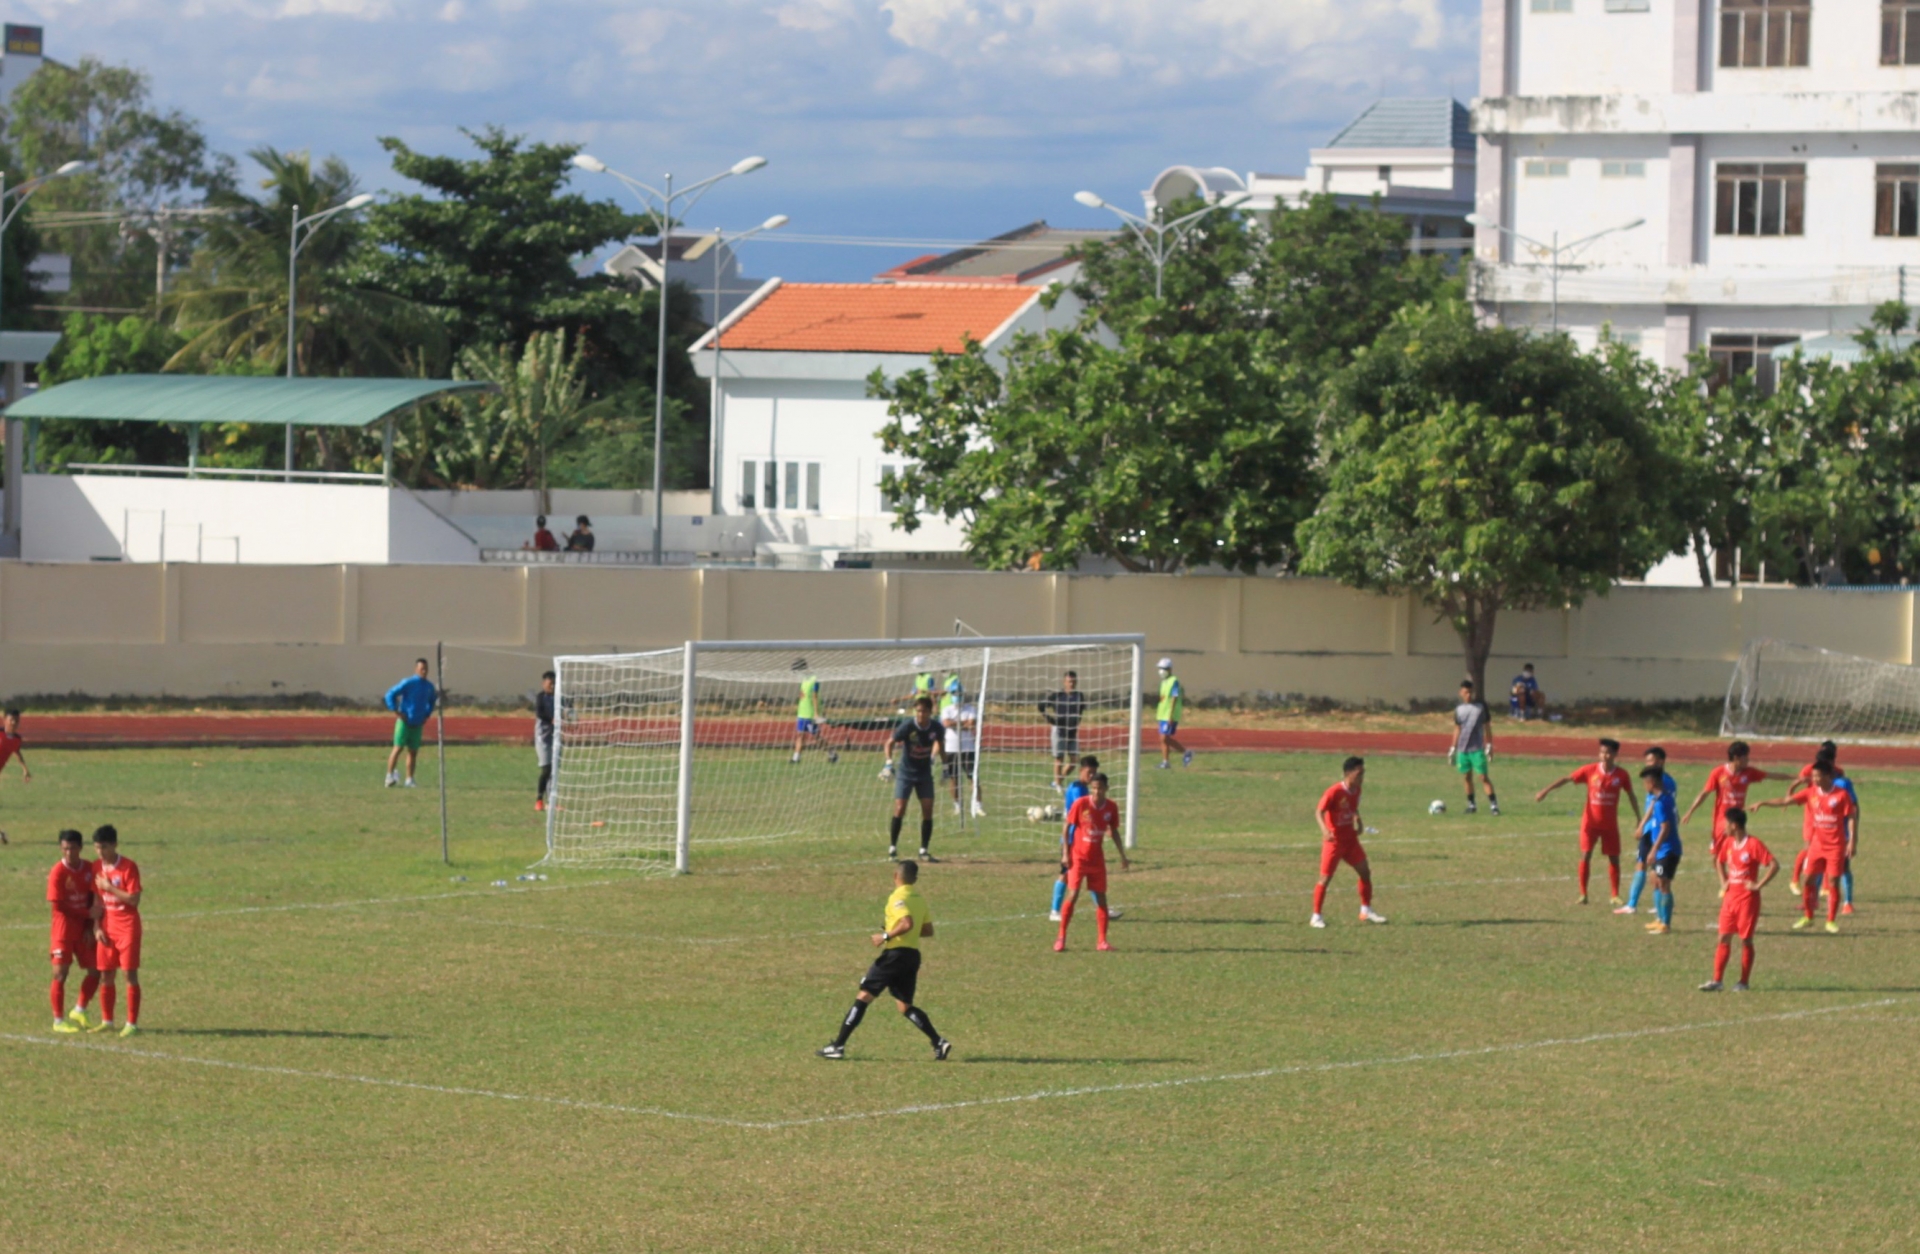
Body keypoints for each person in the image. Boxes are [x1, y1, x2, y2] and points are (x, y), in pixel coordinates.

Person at [816, 860, 951, 1061]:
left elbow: (907, 923)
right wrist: (896, 930)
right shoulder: (919, 899)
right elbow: (927, 930)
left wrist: (886, 935)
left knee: (864, 996)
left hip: (894, 956)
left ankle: (838, 1046)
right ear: (914, 879)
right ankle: (938, 1042)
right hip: (911, 956)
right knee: (904, 1006)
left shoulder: (897, 897)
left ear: (895, 876)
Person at [1534, 737, 1639, 905]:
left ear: (1615, 755)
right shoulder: (1590, 770)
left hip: (1610, 825)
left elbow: (1631, 795)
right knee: (1586, 854)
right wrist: (1545, 790)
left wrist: (1639, 817)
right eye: (1602, 752)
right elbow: (1567, 778)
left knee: (1614, 858)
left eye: (1608, 753)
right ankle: (1583, 894)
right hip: (1590, 824)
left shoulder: (1622, 775)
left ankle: (1614, 895)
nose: (1604, 756)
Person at [1759, 759, 1856, 934]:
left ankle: (1830, 920)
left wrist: (1852, 841)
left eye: (1818, 776)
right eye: (1813, 776)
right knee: (1808, 880)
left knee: (1833, 882)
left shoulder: (1841, 795)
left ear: (1828, 776)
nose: (1815, 779)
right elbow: (1786, 801)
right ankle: (1808, 916)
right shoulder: (1811, 792)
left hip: (1836, 847)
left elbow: (1851, 817)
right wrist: (1764, 803)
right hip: (1816, 846)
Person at [1700, 807, 1777, 992]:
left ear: (1734, 825)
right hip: (1730, 899)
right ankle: (1717, 981)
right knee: (1723, 937)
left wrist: (1758, 885)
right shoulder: (1728, 843)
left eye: (1725, 823)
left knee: (1745, 940)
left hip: (1747, 900)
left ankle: (1743, 982)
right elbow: (1719, 861)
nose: (1723, 827)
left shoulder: (1753, 845)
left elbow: (1774, 865)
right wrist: (1723, 881)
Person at [1680, 740, 1774, 890]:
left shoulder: (1748, 773)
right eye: (1746, 757)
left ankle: (1731, 882)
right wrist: (1690, 811)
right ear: (1737, 757)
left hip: (1738, 820)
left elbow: (1770, 775)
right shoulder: (1718, 773)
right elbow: (1705, 793)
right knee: (1716, 856)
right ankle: (1724, 882)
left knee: (1738, 849)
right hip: (1721, 822)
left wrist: (1797, 778)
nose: (1748, 760)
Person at [1055, 772, 1128, 951]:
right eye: (1094, 788)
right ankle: (1061, 937)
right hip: (1078, 858)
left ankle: (1102, 941)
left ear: (1106, 789)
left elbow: (1114, 831)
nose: (1096, 792)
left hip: (1097, 860)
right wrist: (1066, 853)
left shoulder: (1111, 807)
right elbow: (1066, 827)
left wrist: (1122, 856)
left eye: (1100, 788)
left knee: (1102, 899)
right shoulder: (1081, 804)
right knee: (1073, 895)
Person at [1312, 756, 1388, 928]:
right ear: (1348, 773)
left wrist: (1359, 821)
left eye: (1363, 773)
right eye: (1359, 773)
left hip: (1350, 840)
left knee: (1365, 872)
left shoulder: (1357, 790)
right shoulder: (1334, 791)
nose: (1362, 777)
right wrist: (1325, 830)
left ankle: (1366, 910)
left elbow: (1353, 808)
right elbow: (1319, 811)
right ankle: (1316, 916)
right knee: (1325, 878)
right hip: (1335, 842)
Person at [90, 825, 143, 1037]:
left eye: (104, 847)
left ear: (114, 845)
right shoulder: (96, 867)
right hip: (107, 928)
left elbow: (134, 899)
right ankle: (107, 1021)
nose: (100, 852)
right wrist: (96, 927)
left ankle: (131, 1023)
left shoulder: (128, 867)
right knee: (106, 975)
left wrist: (109, 886)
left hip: (127, 927)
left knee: (129, 974)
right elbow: (96, 900)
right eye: (96, 847)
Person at [880, 696, 946, 861]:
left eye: (924, 711)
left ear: (930, 712)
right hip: (906, 773)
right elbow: (889, 743)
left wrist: (945, 767)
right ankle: (892, 848)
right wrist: (888, 764)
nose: (920, 714)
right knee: (900, 808)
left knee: (928, 809)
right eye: (918, 711)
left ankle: (924, 850)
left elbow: (941, 744)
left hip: (924, 774)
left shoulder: (936, 727)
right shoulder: (908, 726)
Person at [47, 829, 101, 1033]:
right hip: (63, 931)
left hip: (82, 930)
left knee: (96, 971)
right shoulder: (57, 872)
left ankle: (80, 1009)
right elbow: (59, 905)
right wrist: (87, 915)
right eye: (65, 849)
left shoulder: (89, 868)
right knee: (60, 974)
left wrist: (89, 926)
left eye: (72, 848)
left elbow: (92, 897)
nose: (68, 852)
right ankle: (58, 1020)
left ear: (80, 847)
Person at [1616, 746, 1677, 915]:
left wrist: (1642, 824)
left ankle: (1640, 905)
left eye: (1653, 760)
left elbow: (1656, 805)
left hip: (1656, 829)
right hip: (1651, 828)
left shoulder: (1664, 782)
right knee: (1646, 865)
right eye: (1647, 761)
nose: (1649, 763)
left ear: (1662, 761)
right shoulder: (1655, 780)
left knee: (1653, 868)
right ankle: (1638, 904)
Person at [1049, 754, 1099, 921]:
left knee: (1091, 873)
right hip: (1071, 840)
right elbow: (1083, 811)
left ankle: (1102, 908)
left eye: (1094, 772)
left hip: (1082, 840)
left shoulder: (1084, 788)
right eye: (1089, 772)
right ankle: (1054, 911)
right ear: (1081, 771)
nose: (1091, 776)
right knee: (1065, 874)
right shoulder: (1077, 788)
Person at [1637, 766, 1680, 935]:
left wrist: (1653, 850)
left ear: (1652, 782)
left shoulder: (1661, 802)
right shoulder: (1661, 799)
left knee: (1663, 884)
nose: (1644, 786)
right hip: (1662, 849)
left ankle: (1666, 924)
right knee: (1654, 880)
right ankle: (1659, 919)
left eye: (1645, 782)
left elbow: (1665, 827)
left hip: (1667, 850)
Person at [384, 658, 438, 788]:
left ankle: (409, 779)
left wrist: (427, 714)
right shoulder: (408, 683)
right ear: (416, 669)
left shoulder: (429, 687)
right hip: (404, 722)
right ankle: (389, 775)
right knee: (398, 748)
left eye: (426, 669)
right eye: (421, 669)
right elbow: (390, 694)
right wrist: (396, 710)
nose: (424, 671)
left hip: (417, 723)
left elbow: (432, 701)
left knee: (413, 752)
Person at [1448, 680, 1499, 815]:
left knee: (1483, 777)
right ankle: (1471, 805)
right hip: (1463, 750)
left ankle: (1494, 805)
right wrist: (1453, 748)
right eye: (1466, 692)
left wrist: (1489, 745)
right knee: (1466, 777)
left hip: (1477, 748)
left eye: (1470, 692)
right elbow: (1457, 728)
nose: (1468, 695)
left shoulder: (1480, 707)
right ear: (1461, 693)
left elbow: (1487, 726)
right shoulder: (1459, 709)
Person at [1039, 671, 1087, 791]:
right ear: (1064, 682)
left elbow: (1081, 710)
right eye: (1069, 681)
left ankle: (1057, 781)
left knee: (1074, 760)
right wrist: (1050, 719)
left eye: (1074, 681)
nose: (1072, 684)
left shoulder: (1079, 696)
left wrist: (1076, 722)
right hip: (1059, 730)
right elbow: (1041, 706)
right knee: (1059, 758)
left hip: (1072, 731)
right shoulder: (1057, 695)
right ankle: (1058, 785)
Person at [943, 688, 985, 818]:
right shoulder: (947, 709)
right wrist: (963, 723)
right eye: (955, 695)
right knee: (954, 778)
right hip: (951, 748)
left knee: (973, 777)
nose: (958, 697)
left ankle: (978, 806)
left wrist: (955, 723)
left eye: (960, 695)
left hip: (968, 748)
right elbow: (946, 723)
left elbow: (971, 724)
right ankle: (957, 806)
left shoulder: (971, 709)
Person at [789, 663, 838, 765]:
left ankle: (832, 753)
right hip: (802, 713)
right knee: (800, 735)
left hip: (810, 714)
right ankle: (796, 758)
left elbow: (814, 697)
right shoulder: (803, 680)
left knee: (817, 737)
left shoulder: (814, 680)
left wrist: (816, 714)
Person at [0, 707, 31, 845]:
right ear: (4, 720)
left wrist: (24, 769)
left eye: (17, 721)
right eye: (11, 720)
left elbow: (16, 752)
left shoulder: (17, 739)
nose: (14, 723)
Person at [1155, 658, 1191, 769]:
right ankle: (1166, 762)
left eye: (1163, 668)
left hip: (1169, 714)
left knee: (1164, 738)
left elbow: (1174, 698)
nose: (1161, 671)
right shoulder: (1163, 682)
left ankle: (1186, 752)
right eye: (1160, 668)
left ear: (1169, 669)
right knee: (1163, 738)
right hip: (1162, 714)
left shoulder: (1174, 681)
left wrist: (1170, 715)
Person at [534, 671, 557, 812]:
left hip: (555, 737)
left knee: (554, 771)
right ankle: (539, 799)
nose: (553, 687)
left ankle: (552, 801)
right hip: (542, 738)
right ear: (544, 684)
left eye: (555, 684)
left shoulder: (558, 697)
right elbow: (539, 713)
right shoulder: (540, 697)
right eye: (550, 684)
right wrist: (551, 719)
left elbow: (566, 710)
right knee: (546, 769)